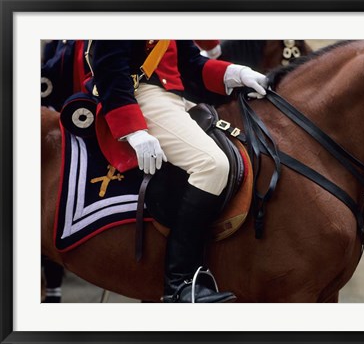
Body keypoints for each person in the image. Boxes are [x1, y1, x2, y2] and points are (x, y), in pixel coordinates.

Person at [90, 40, 268, 303]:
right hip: (141, 95)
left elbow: (191, 63)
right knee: (212, 165)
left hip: (179, 99)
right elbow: (109, 68)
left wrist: (236, 72)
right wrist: (133, 129)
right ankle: (180, 283)